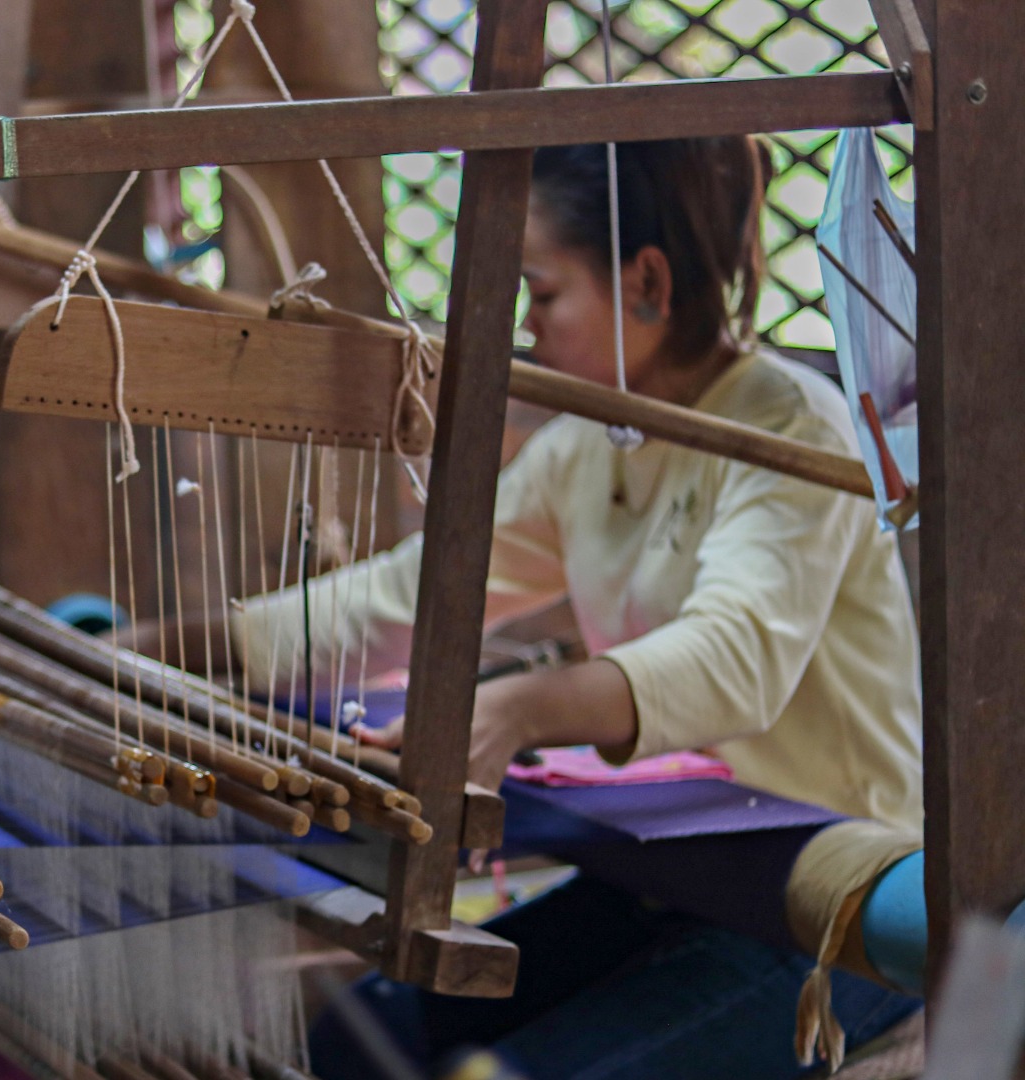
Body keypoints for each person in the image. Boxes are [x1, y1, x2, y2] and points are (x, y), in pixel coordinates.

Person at [226, 137, 925, 1079]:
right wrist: (202, 643)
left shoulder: (791, 431)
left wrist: (517, 710)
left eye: (541, 291)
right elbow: (415, 594)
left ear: (646, 282)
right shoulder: (591, 445)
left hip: (838, 899)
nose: (525, 323)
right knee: (355, 1045)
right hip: (671, 873)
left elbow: (735, 658)